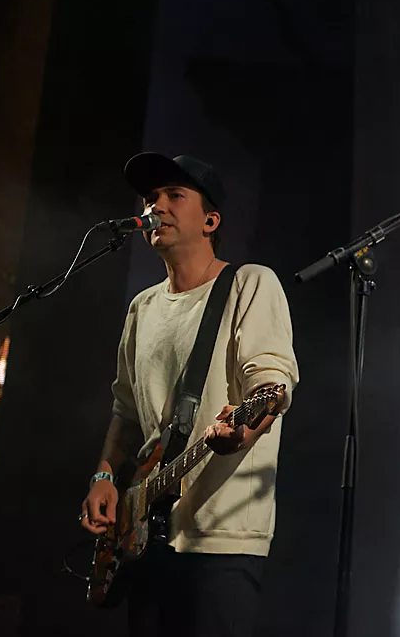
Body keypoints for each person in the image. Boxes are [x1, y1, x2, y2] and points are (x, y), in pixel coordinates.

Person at [79, 153, 300, 637]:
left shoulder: (250, 284)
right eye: (151, 197)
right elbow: (126, 411)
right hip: (145, 537)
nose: (157, 205)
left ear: (210, 220)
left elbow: (271, 388)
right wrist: (104, 476)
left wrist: (241, 433)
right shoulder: (143, 308)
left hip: (220, 540)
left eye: (174, 195)